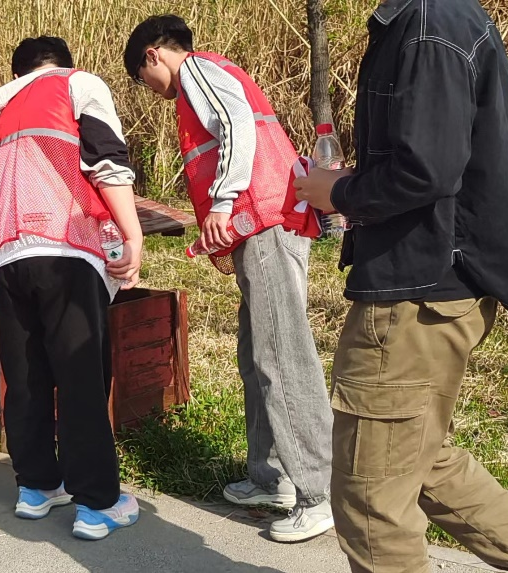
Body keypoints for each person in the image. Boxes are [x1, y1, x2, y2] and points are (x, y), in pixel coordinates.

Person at [293, 0, 508, 571]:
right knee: (417, 455)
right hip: (434, 283)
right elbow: (434, 159)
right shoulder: (435, 20)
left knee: (371, 503)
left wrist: (338, 193)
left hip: (416, 292)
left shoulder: (427, 27)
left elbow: (425, 169)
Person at [125, 15, 335, 543]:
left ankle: (320, 492)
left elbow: (236, 123)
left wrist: (222, 200)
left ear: (153, 55)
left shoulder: (196, 70)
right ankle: (271, 477)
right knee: (256, 350)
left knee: (281, 354)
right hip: (265, 225)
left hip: (263, 222)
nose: (152, 90)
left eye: (144, 79)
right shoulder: (207, 75)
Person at [0, 36, 144, 540]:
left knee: (25, 375)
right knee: (80, 377)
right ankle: (97, 504)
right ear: (64, 65)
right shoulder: (78, 84)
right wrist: (133, 235)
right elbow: (105, 161)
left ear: (18, 72)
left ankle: (37, 487)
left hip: (4, 251)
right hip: (64, 244)